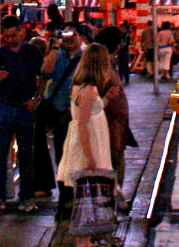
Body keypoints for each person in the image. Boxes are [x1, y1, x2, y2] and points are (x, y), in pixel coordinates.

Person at [58, 45, 119, 247]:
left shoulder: (84, 88)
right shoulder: (89, 91)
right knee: (88, 196)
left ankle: (86, 240)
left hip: (88, 143)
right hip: (89, 146)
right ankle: (83, 241)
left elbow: (91, 114)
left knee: (86, 196)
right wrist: (90, 156)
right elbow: (84, 123)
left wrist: (107, 98)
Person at [0, 15, 44, 212]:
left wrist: (36, 99)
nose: (11, 39)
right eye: (7, 36)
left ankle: (26, 197)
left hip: (24, 107)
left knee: (26, 155)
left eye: (14, 35)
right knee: (0, 154)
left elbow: (42, 77)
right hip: (4, 106)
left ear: (22, 32)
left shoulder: (33, 52)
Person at [35, 25, 79, 212]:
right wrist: (54, 47)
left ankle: (74, 193)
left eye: (72, 34)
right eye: (64, 35)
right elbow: (45, 71)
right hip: (59, 110)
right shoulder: (58, 55)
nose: (68, 38)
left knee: (75, 154)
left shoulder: (86, 56)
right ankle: (64, 195)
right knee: (61, 154)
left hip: (79, 111)